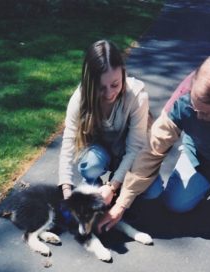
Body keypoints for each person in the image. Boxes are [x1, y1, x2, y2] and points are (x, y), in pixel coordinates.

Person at [97, 53, 210, 232]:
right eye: (195, 109)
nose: (198, 116)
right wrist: (121, 203)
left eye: (208, 114)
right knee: (176, 204)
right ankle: (204, 179)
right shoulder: (183, 99)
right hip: (204, 154)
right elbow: (151, 150)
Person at [58, 40, 159, 206]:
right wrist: (66, 191)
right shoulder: (80, 98)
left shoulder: (137, 97)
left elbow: (135, 148)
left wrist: (112, 186)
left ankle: (116, 186)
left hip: (127, 153)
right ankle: (92, 182)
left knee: (153, 192)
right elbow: (68, 142)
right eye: (101, 87)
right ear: (90, 83)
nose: (109, 93)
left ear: (123, 74)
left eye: (115, 84)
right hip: (99, 154)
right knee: (91, 165)